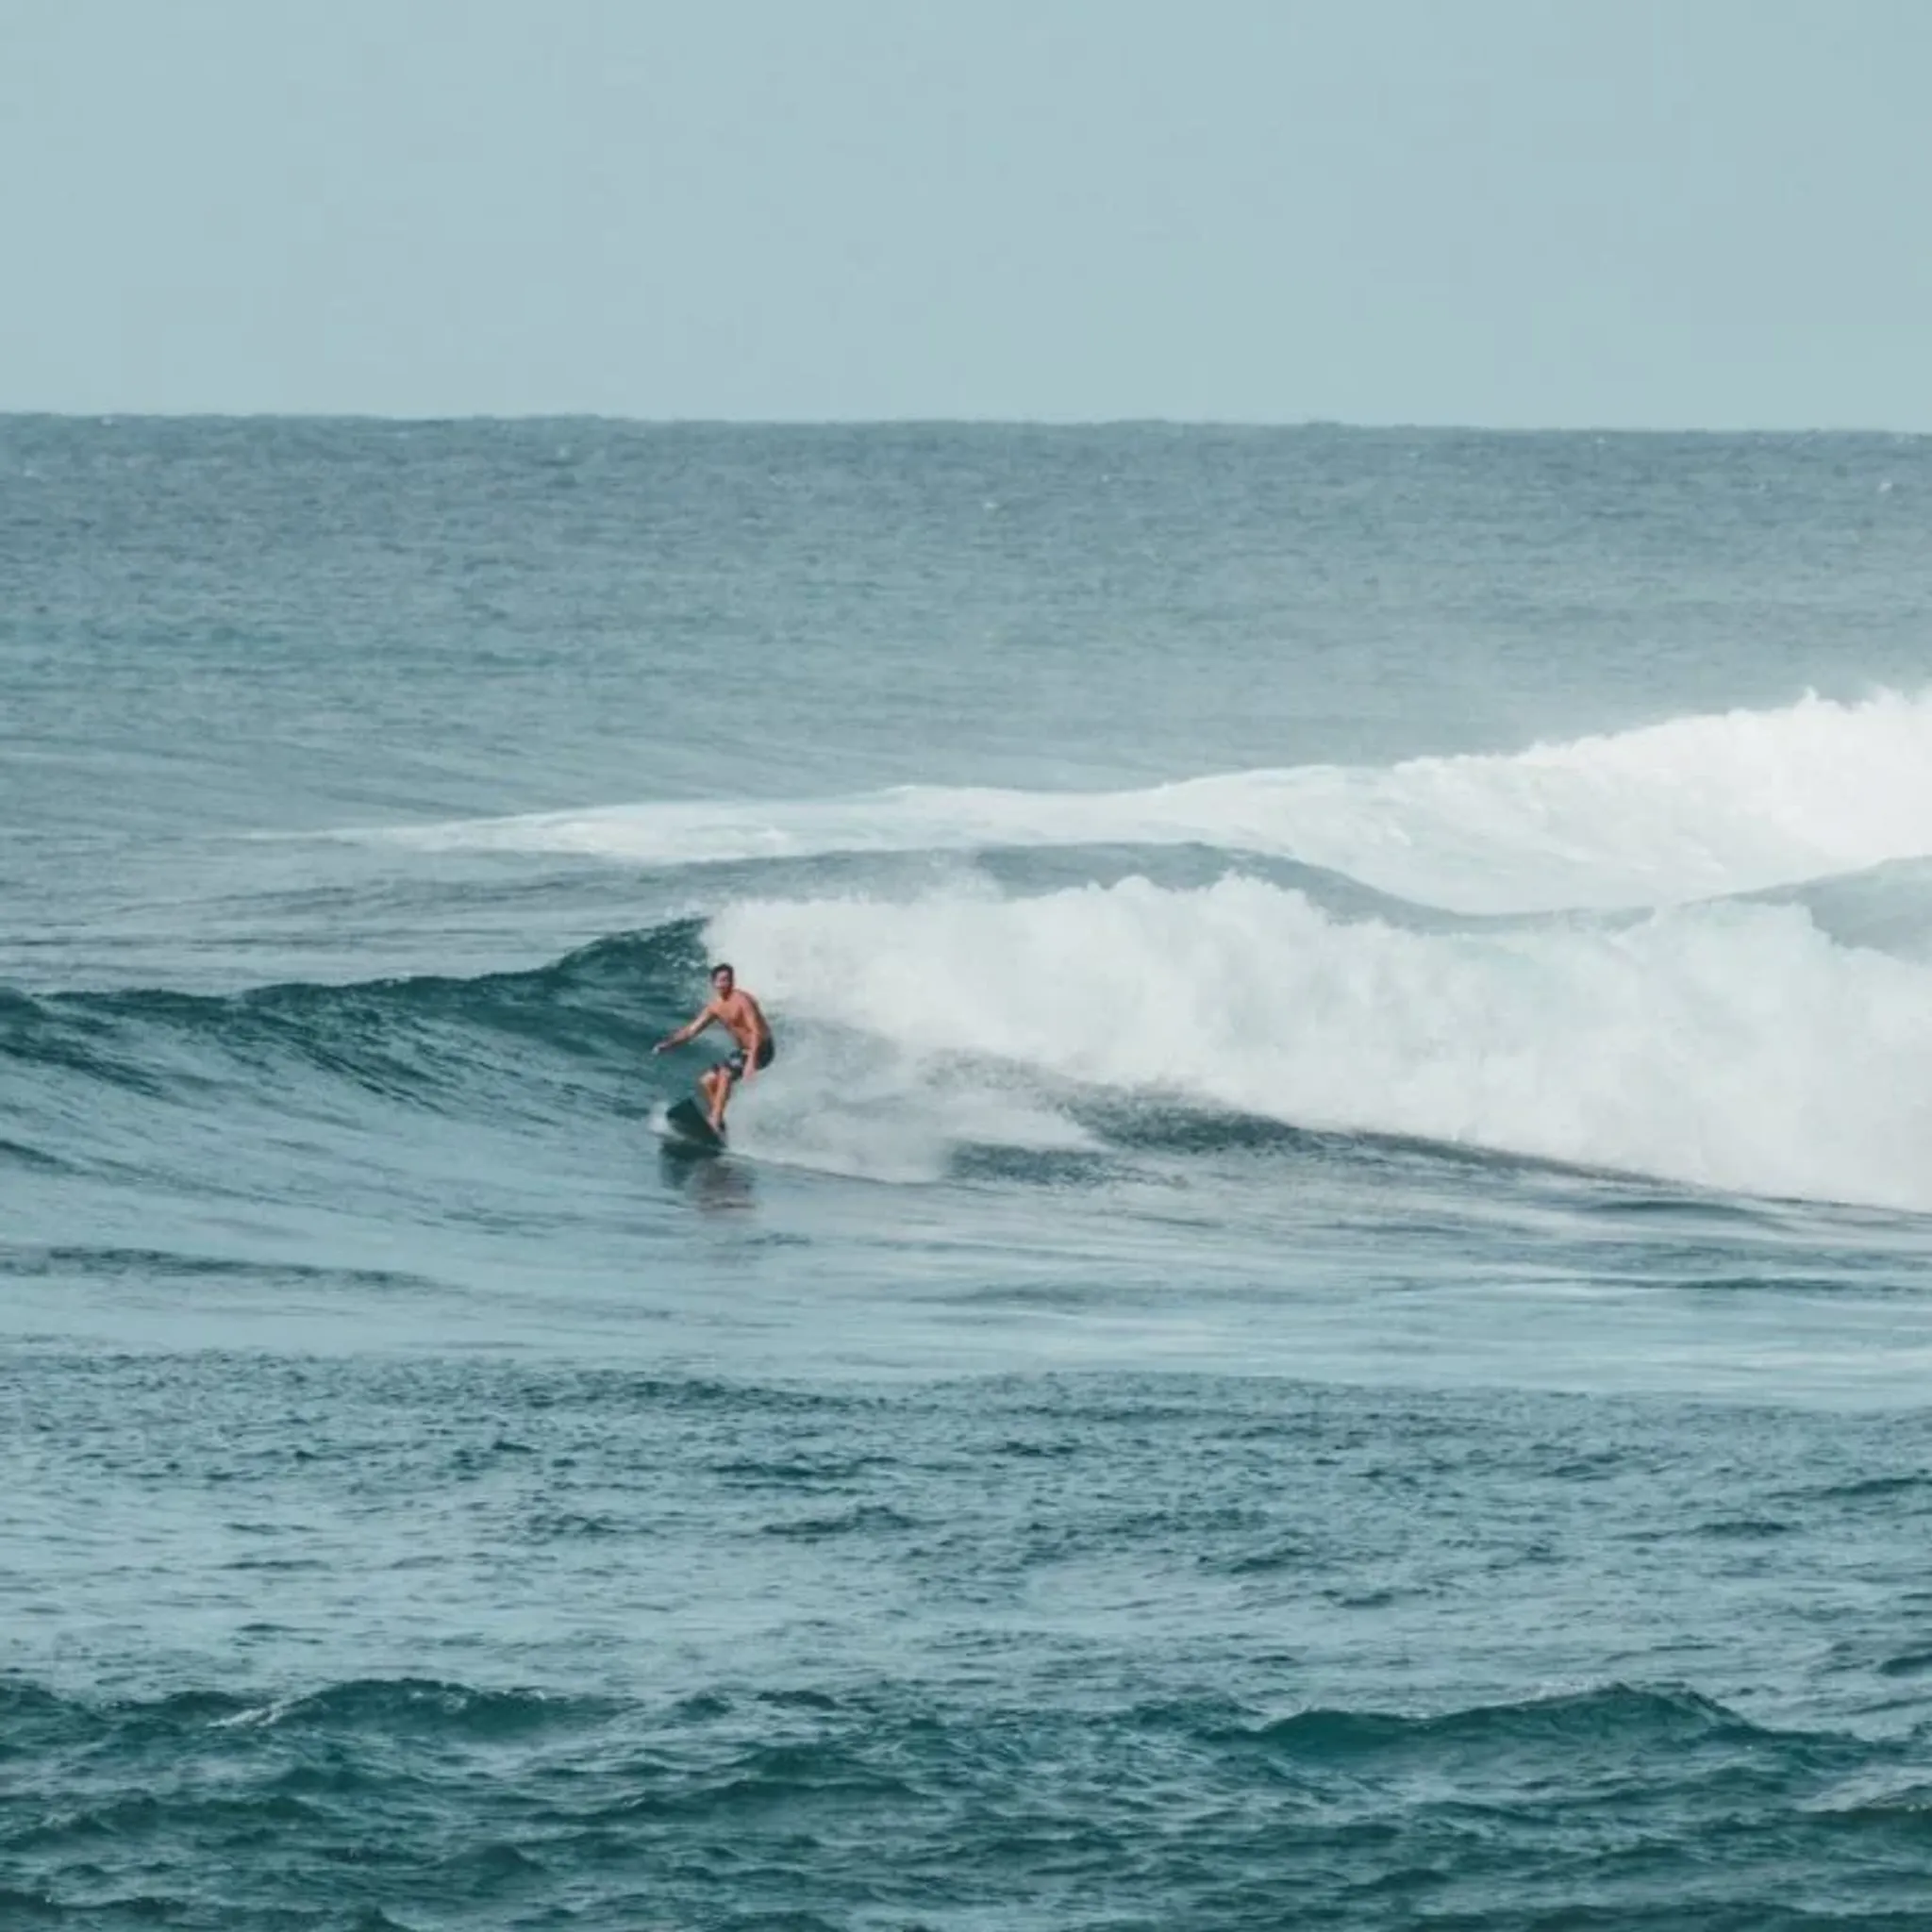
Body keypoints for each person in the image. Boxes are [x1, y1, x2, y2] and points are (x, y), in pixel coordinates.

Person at [652, 962, 774, 1135]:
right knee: (707, 1081)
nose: (727, 983)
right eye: (722, 980)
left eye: (729, 979)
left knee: (725, 1073)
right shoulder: (715, 1007)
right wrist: (668, 1044)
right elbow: (691, 1031)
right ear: (714, 983)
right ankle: (720, 1125)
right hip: (744, 1051)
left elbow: (756, 1032)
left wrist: (751, 1062)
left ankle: (715, 1120)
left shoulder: (742, 1001)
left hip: (762, 1048)